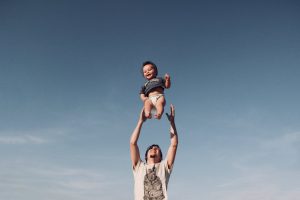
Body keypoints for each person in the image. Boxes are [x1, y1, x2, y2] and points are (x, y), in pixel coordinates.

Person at [130, 104, 178, 200]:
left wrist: (172, 123)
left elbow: (174, 144)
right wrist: (140, 121)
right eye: (151, 148)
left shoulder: (164, 166)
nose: (154, 148)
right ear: (146, 156)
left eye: (157, 149)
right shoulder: (139, 166)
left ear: (160, 157)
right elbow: (133, 143)